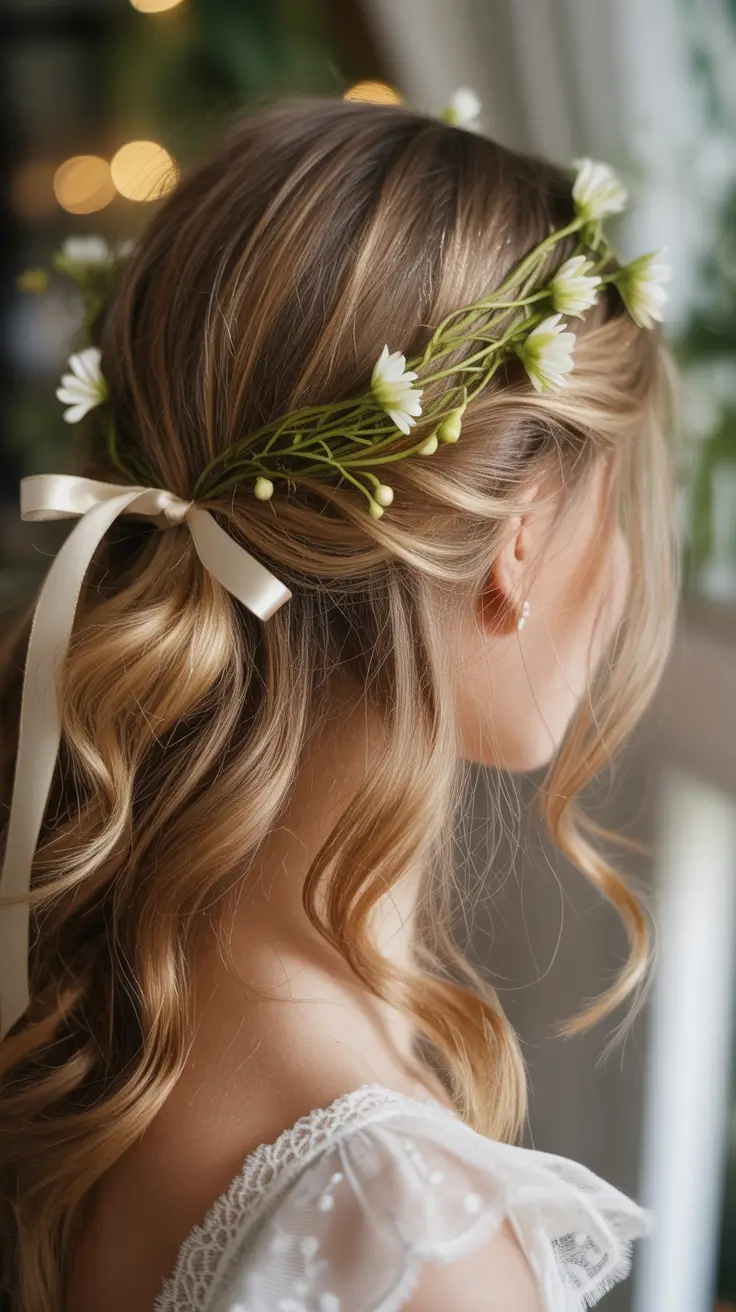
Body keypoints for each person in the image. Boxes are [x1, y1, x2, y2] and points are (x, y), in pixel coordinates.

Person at [0, 96, 676, 1312]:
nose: (623, 571)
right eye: (612, 507)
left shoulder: (81, 977)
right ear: (516, 545)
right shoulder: (413, 1242)